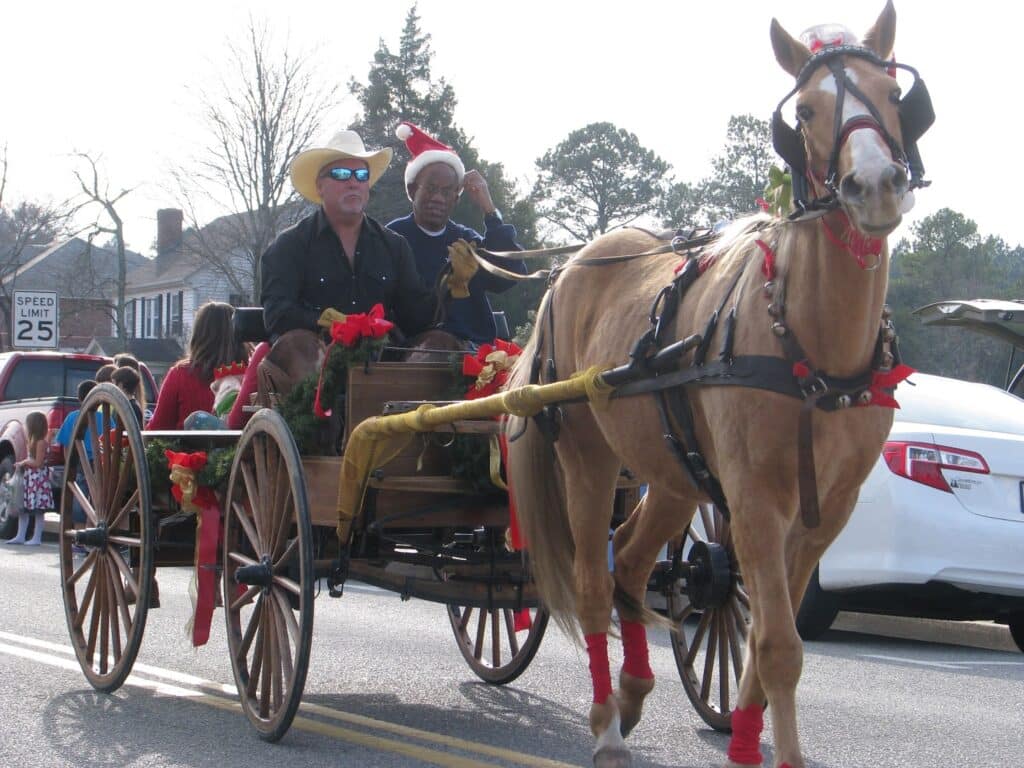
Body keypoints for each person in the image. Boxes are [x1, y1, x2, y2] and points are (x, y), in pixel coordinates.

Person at [260, 129, 437, 342]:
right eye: (341, 174)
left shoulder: (394, 246)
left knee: (441, 342)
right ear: (319, 186)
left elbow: (415, 319)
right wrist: (321, 322)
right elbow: (276, 314)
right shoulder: (289, 245)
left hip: (383, 363)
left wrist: (449, 286)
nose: (353, 182)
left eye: (361, 175)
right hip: (314, 364)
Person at [388, 121, 528, 345]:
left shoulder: (465, 239)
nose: (438, 198)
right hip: (415, 354)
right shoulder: (393, 238)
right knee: (438, 343)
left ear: (456, 198)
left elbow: (510, 274)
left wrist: (489, 211)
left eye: (447, 191)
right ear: (413, 190)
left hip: (476, 351)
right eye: (431, 188)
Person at [148, 301, 248, 431]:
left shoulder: (180, 375)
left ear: (198, 335)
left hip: (184, 450)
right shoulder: (250, 376)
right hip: (241, 450)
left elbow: (158, 428)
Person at [54, 379, 98, 551]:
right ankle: (91, 535)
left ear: (79, 399)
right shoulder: (105, 418)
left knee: (80, 500)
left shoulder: (73, 417)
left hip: (80, 462)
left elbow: (66, 446)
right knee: (96, 501)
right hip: (101, 464)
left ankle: (81, 537)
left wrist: (68, 467)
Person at [6, 412, 54, 546]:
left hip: (38, 481)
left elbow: (38, 463)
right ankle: (20, 535)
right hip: (31, 479)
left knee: (38, 510)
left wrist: (24, 462)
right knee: (24, 508)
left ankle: (36, 537)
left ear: (33, 426)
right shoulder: (32, 442)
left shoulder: (40, 442)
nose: (25, 427)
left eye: (27, 424)